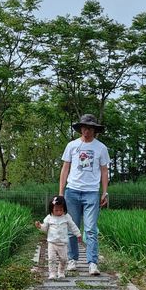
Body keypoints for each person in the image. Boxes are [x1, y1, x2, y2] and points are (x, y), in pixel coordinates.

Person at [59, 113, 109, 276]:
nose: (86, 131)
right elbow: (65, 169)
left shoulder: (101, 148)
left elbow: (104, 171)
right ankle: (72, 259)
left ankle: (92, 263)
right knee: (71, 228)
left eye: (90, 128)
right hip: (72, 191)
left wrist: (104, 192)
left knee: (91, 229)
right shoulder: (72, 146)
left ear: (95, 130)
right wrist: (61, 193)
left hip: (91, 193)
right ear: (80, 128)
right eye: (84, 128)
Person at [35, 195, 84, 279]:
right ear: (51, 210)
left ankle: (61, 271)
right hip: (52, 243)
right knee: (51, 259)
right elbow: (45, 228)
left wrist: (78, 234)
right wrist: (40, 226)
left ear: (64, 209)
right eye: (56, 210)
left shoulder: (66, 217)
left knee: (64, 259)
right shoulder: (49, 218)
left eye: (60, 210)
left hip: (63, 243)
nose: (58, 212)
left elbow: (73, 226)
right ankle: (52, 273)